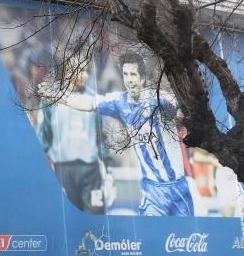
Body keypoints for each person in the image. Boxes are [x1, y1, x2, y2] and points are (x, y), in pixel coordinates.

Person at [53, 51, 193, 216]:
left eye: (133, 74)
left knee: (183, 236)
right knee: (152, 236)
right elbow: (89, 103)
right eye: (125, 74)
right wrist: (59, 96)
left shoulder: (162, 99)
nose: (129, 79)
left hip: (178, 189)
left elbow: (183, 111)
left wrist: (181, 116)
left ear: (142, 78)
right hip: (151, 191)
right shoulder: (120, 101)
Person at [36, 56, 107, 214]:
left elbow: (103, 137)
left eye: (85, 71)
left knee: (95, 217)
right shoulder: (51, 100)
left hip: (91, 169)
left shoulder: (94, 100)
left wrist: (107, 167)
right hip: (63, 169)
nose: (81, 75)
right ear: (66, 72)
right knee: (66, 218)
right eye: (76, 70)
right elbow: (43, 134)